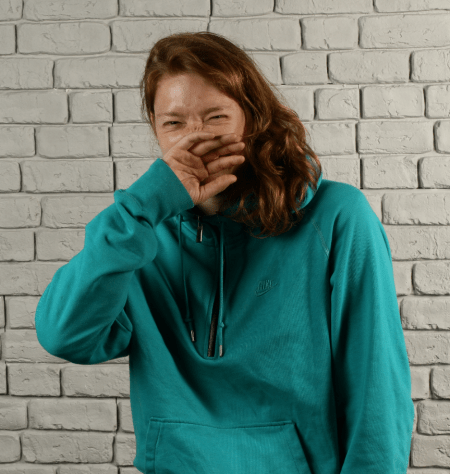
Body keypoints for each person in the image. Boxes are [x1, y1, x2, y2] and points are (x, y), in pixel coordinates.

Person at [35, 31, 415, 474]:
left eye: (215, 117)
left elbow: (377, 392)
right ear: (155, 129)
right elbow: (64, 335)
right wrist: (141, 207)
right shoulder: (135, 238)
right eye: (173, 124)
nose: (195, 140)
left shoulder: (336, 218)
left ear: (251, 118)